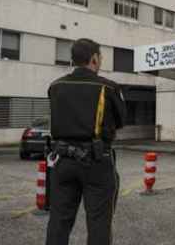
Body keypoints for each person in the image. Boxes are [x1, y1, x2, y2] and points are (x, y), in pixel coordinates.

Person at [46, 38, 126, 245]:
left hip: (62, 161)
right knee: (99, 223)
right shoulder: (108, 88)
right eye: (100, 58)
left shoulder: (55, 86)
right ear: (94, 58)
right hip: (96, 161)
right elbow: (120, 121)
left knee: (58, 221)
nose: (100, 62)